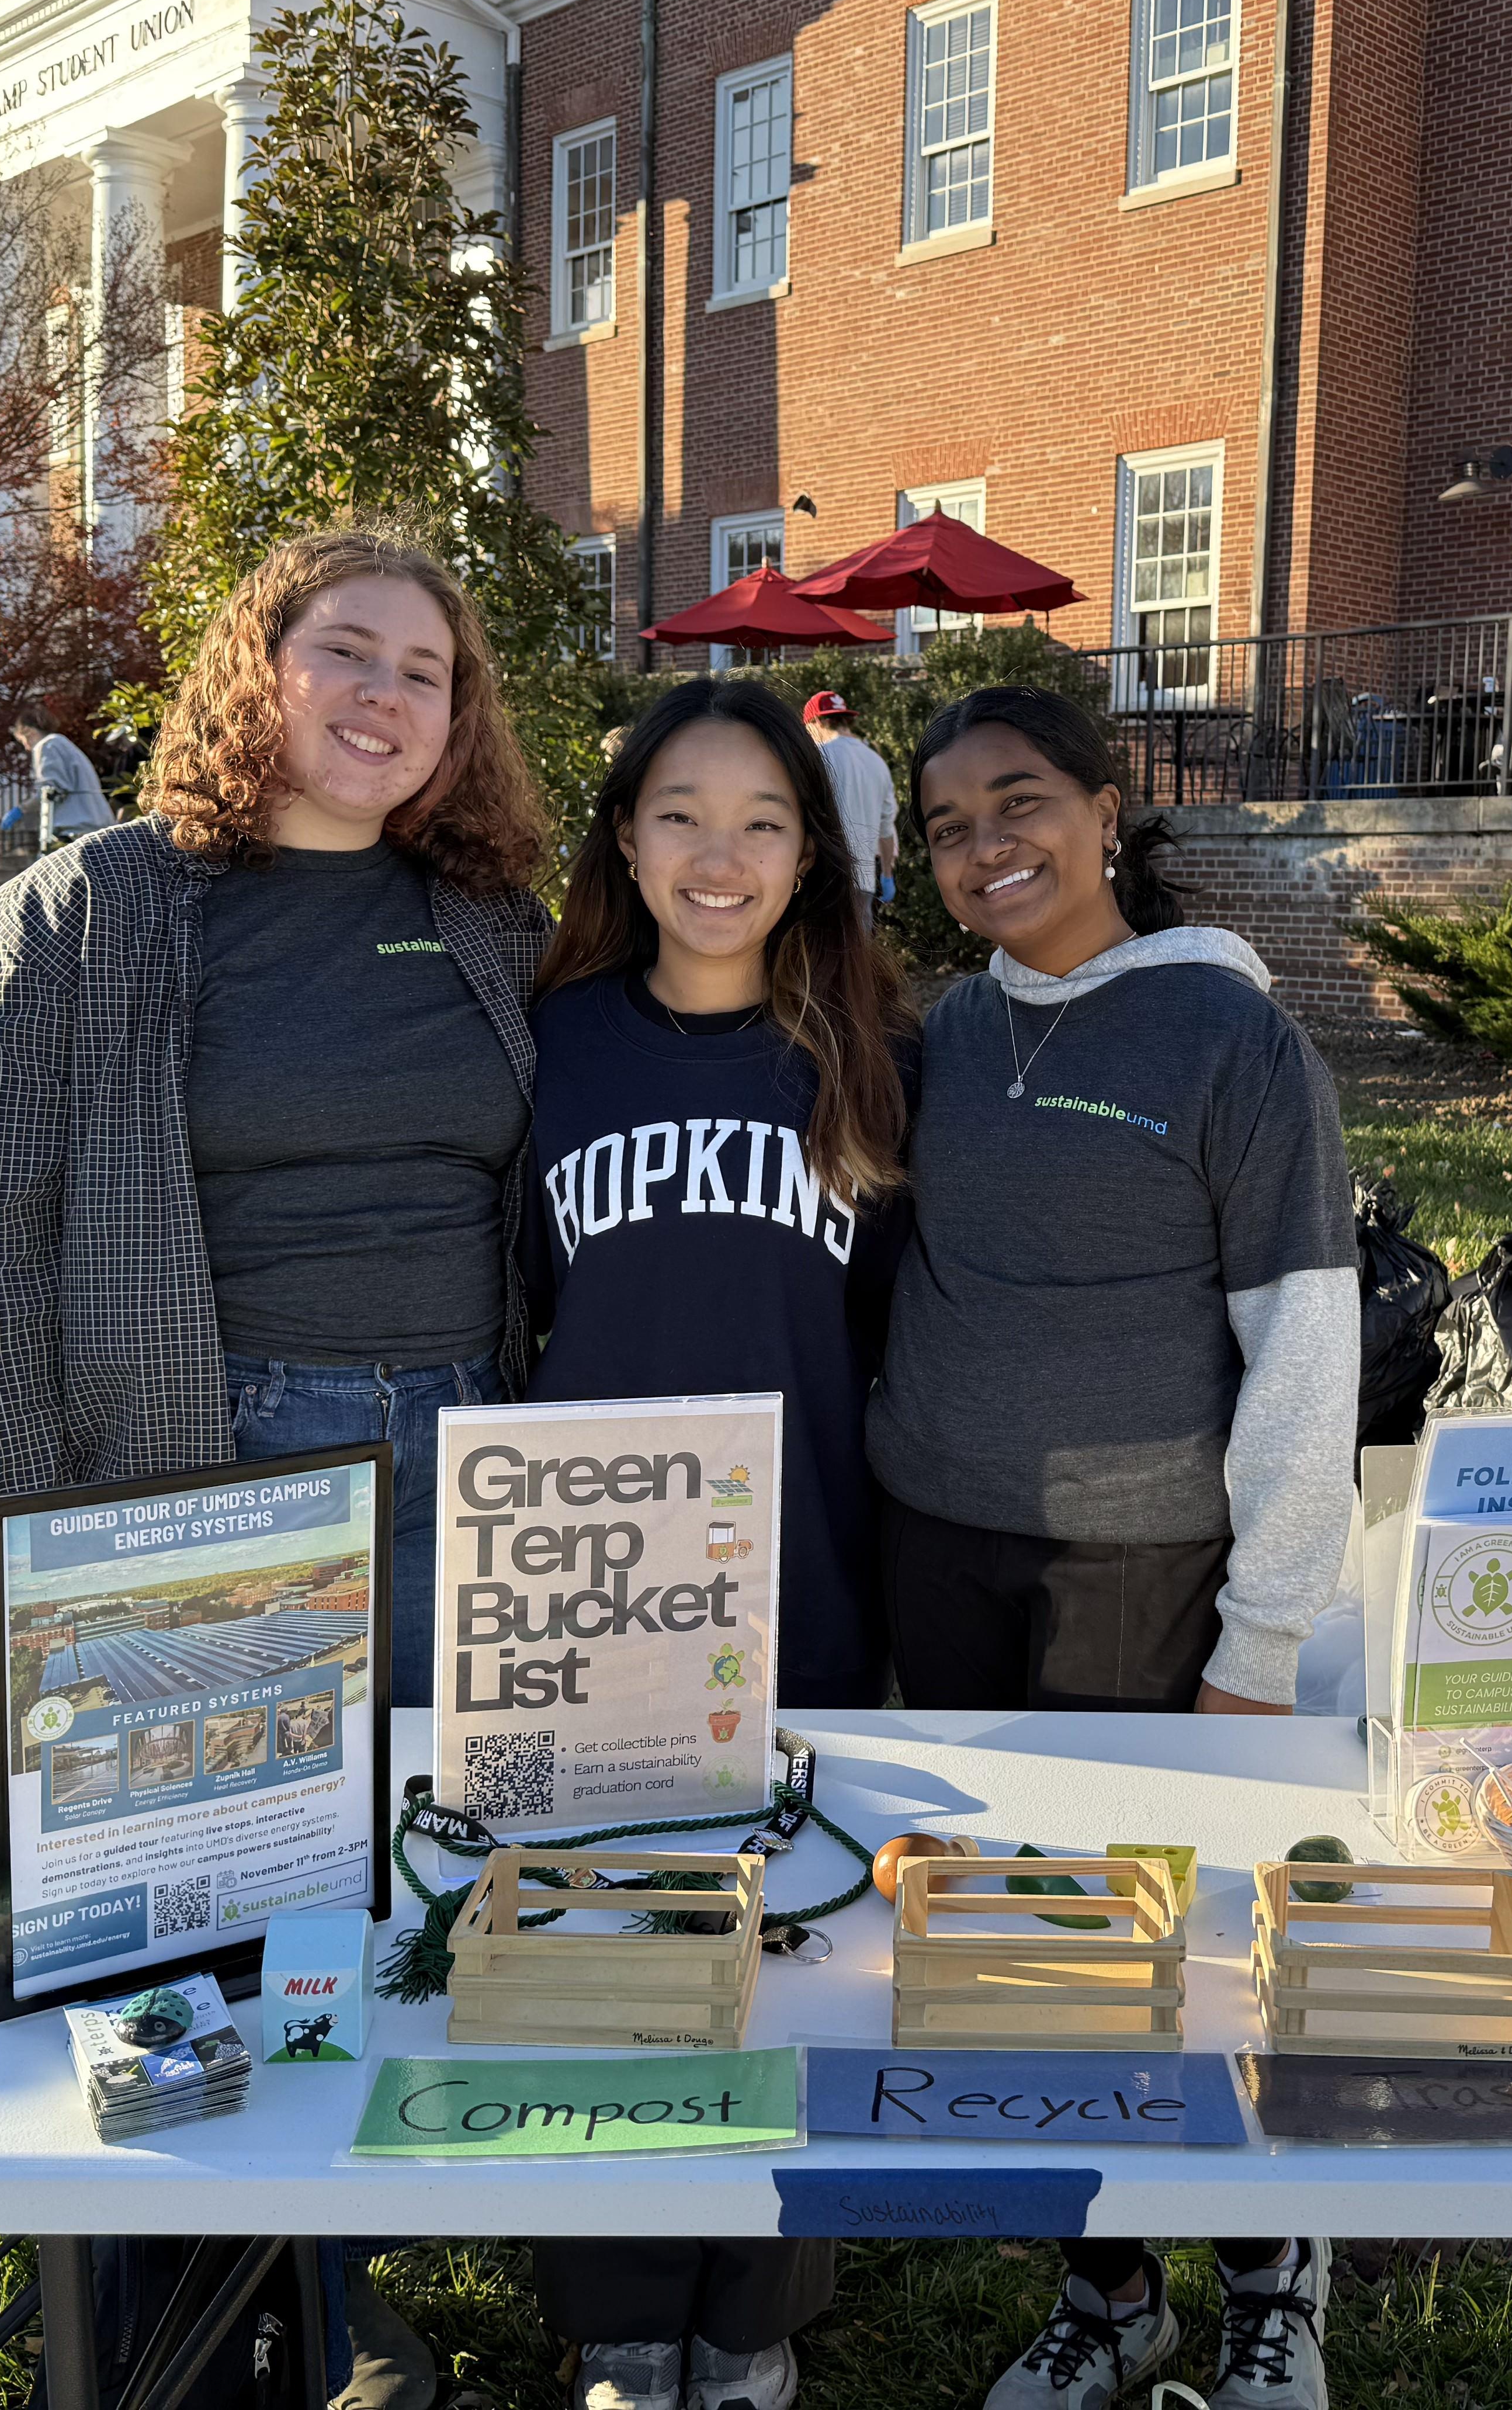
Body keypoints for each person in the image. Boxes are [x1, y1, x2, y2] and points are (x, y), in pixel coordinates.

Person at [0, 527, 555, 2410]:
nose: (383, 696)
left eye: (425, 671)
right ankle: (179, 2338)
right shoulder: (92, 912)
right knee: (191, 1924)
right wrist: (17, 1563)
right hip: (216, 1455)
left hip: (463, 1455)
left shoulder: (490, 922)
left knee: (391, 1891)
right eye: (345, 651)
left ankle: (332, 2294)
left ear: (458, 720)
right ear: (256, 672)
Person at [875, 684, 1357, 2410]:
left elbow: (1307, 1348)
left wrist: (1262, 1641)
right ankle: (1107, 2288)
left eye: (1018, 803)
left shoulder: (1231, 1040)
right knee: (1021, 1944)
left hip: (1138, 1570)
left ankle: (1268, 2275)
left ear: (1101, 808)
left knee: (1172, 1938)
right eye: (947, 827)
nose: (986, 848)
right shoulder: (941, 1034)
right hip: (940, 1552)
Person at [518, 676, 915, 2409]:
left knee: (782, 1946)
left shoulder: (870, 1056)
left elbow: (892, 1334)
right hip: (588, 1583)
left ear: (811, 855)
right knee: (598, 1928)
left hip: (799, 1566)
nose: (719, 855)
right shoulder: (553, 1045)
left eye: (762, 822)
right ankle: (619, 2312)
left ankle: (751, 2321)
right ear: (624, 837)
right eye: (679, 813)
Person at [803, 691, 898, 935]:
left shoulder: (818, 758)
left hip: (821, 880)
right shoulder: (877, 763)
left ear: (817, 722)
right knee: (856, 954)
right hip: (863, 884)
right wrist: (887, 875)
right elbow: (886, 831)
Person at [16, 708, 116, 852]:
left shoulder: (47, 746)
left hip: (77, 830)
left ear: (29, 732)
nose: (26, 748)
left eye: (22, 741)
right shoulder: (62, 744)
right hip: (96, 823)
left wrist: (22, 809)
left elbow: (50, 791)